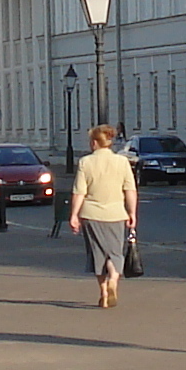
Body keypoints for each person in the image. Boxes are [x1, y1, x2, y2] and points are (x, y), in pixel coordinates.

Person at [68, 122, 138, 309]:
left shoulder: (86, 162)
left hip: (91, 214)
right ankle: (114, 280)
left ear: (93, 143)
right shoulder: (122, 162)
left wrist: (74, 215)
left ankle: (103, 292)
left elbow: (79, 192)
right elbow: (130, 190)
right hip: (116, 213)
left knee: (97, 254)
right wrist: (132, 213)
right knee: (115, 252)